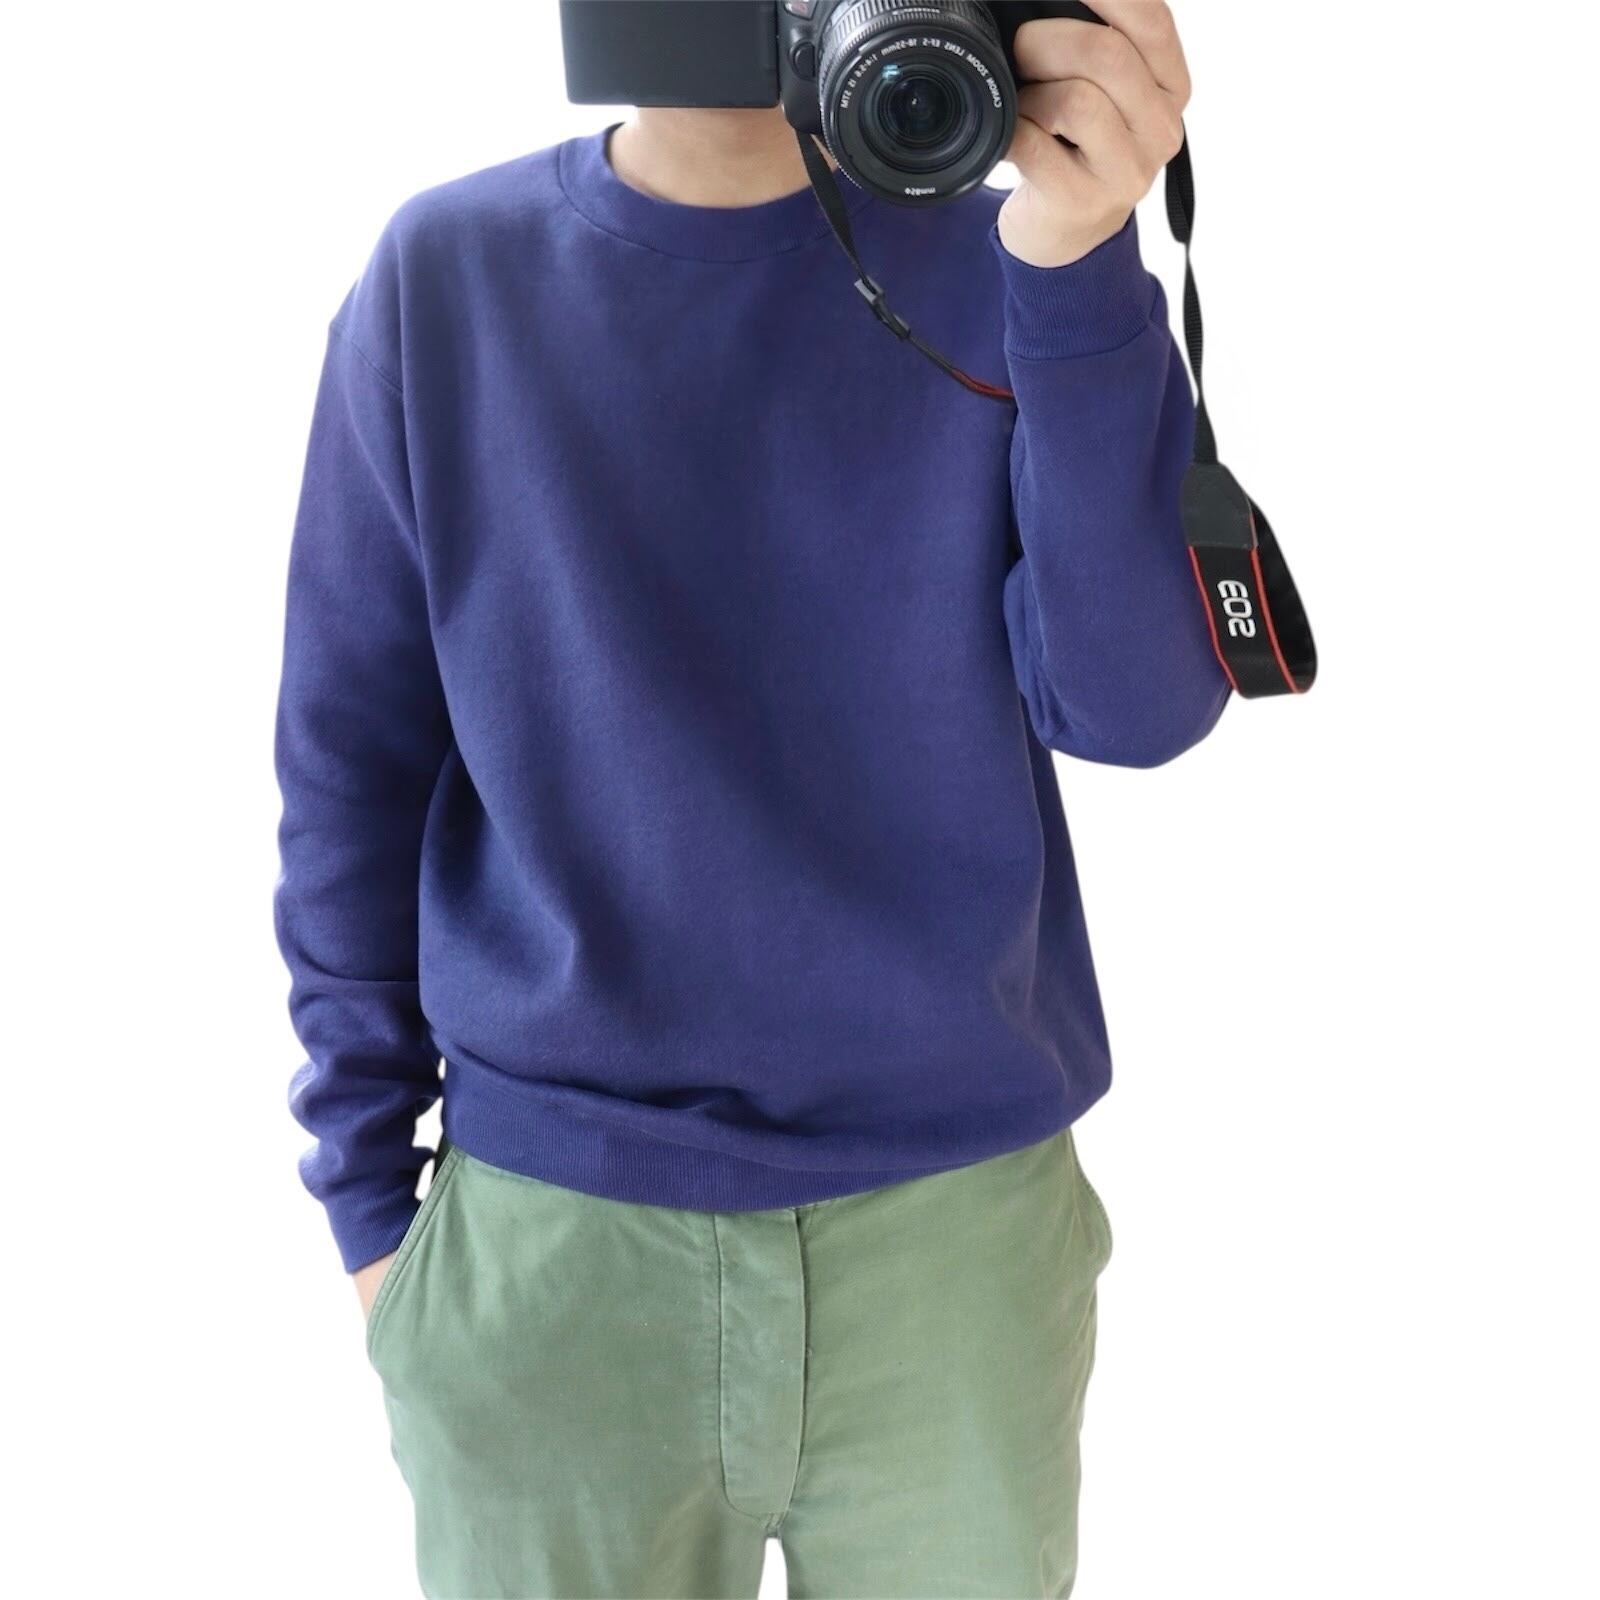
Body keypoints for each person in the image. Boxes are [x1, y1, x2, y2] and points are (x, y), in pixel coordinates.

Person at [274, 4, 1224, 1595]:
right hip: (556, 1248)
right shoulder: (447, 279)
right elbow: (348, 769)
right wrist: (377, 1218)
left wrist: (1078, 260)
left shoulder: (1018, 259)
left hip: (957, 1239)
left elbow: (1136, 711)